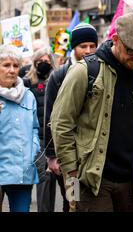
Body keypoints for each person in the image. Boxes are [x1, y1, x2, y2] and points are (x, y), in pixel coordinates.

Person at [50, 13, 133, 212]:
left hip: (132, 182)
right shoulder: (83, 71)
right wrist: (72, 171)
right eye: (131, 50)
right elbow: (61, 123)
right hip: (89, 179)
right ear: (116, 40)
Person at [44, 22, 98, 212]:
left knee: (92, 202)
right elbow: (51, 117)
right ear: (74, 47)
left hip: (93, 155)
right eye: (83, 46)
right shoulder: (59, 76)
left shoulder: (102, 71)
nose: (88, 51)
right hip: (68, 155)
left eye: (92, 46)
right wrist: (52, 156)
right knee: (72, 201)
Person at [0, 45, 40, 212]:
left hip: (22, 171)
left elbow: (34, 128)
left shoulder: (28, 96)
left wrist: (34, 149)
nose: (11, 70)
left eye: (15, 66)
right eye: (6, 65)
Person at [22, 47, 57, 212]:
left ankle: (73, 206)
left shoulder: (57, 80)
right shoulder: (27, 83)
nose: (44, 64)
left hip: (59, 139)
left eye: (47, 61)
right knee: (45, 178)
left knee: (72, 183)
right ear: (35, 63)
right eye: (40, 61)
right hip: (40, 139)